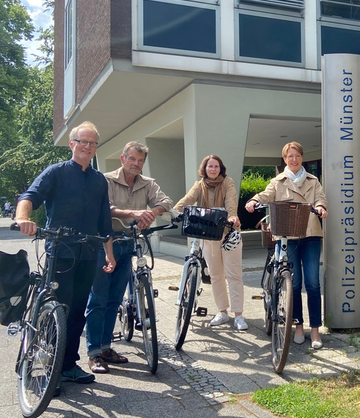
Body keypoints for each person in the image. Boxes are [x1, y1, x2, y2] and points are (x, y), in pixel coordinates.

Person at [14, 121, 115, 389]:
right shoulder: (56, 173)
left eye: (92, 143)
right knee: (58, 308)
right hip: (60, 252)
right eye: (83, 141)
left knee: (77, 311)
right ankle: (44, 368)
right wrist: (22, 218)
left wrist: (109, 254)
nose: (88, 147)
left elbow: (104, 221)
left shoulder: (98, 181)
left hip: (88, 253)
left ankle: (67, 365)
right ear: (72, 144)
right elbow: (30, 195)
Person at [86, 141, 173, 374]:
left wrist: (152, 212)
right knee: (98, 299)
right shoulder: (105, 180)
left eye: (140, 161)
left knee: (114, 299)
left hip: (129, 242)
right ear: (123, 159)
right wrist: (133, 213)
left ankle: (105, 349)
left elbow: (166, 202)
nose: (136, 164)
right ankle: (94, 354)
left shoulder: (148, 183)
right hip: (106, 243)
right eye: (132, 159)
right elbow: (104, 208)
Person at [245, 142, 328, 349]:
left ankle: (316, 329)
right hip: (288, 236)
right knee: (295, 284)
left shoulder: (313, 180)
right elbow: (265, 195)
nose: (294, 159)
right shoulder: (277, 181)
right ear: (285, 159)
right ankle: (298, 326)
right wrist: (253, 201)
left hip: (310, 234)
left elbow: (320, 198)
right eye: (289, 156)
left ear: (302, 157)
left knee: (313, 283)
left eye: (297, 156)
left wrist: (320, 207)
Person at [175, 154, 248, 332]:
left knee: (234, 275)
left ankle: (238, 315)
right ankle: (222, 312)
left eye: (216, 166)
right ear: (204, 169)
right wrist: (175, 211)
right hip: (208, 235)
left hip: (228, 234)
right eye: (210, 166)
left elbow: (231, 200)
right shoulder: (199, 185)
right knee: (215, 275)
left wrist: (232, 215)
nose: (213, 169)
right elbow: (188, 199)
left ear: (220, 168)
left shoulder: (227, 182)